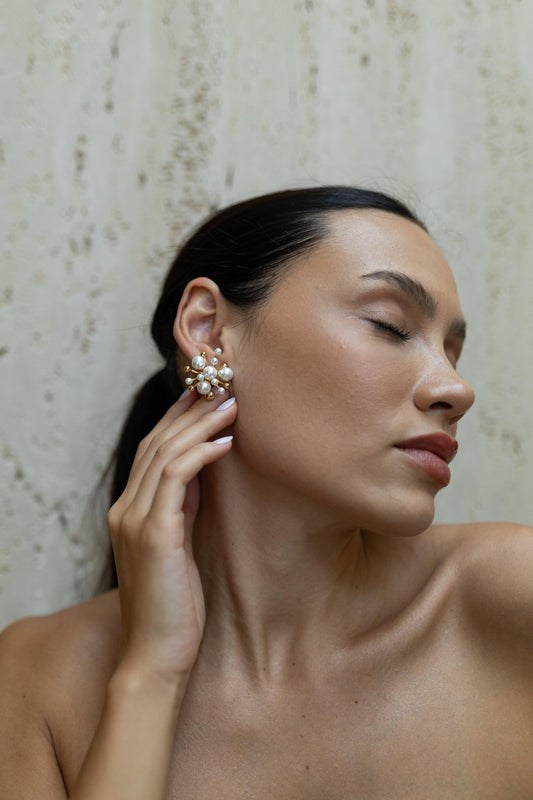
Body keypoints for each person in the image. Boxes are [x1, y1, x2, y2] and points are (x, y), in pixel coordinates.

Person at [1, 186, 532, 799]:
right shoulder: (38, 677)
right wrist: (151, 673)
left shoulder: (505, 598)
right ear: (208, 330)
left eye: (452, 352)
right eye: (389, 326)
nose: (456, 389)